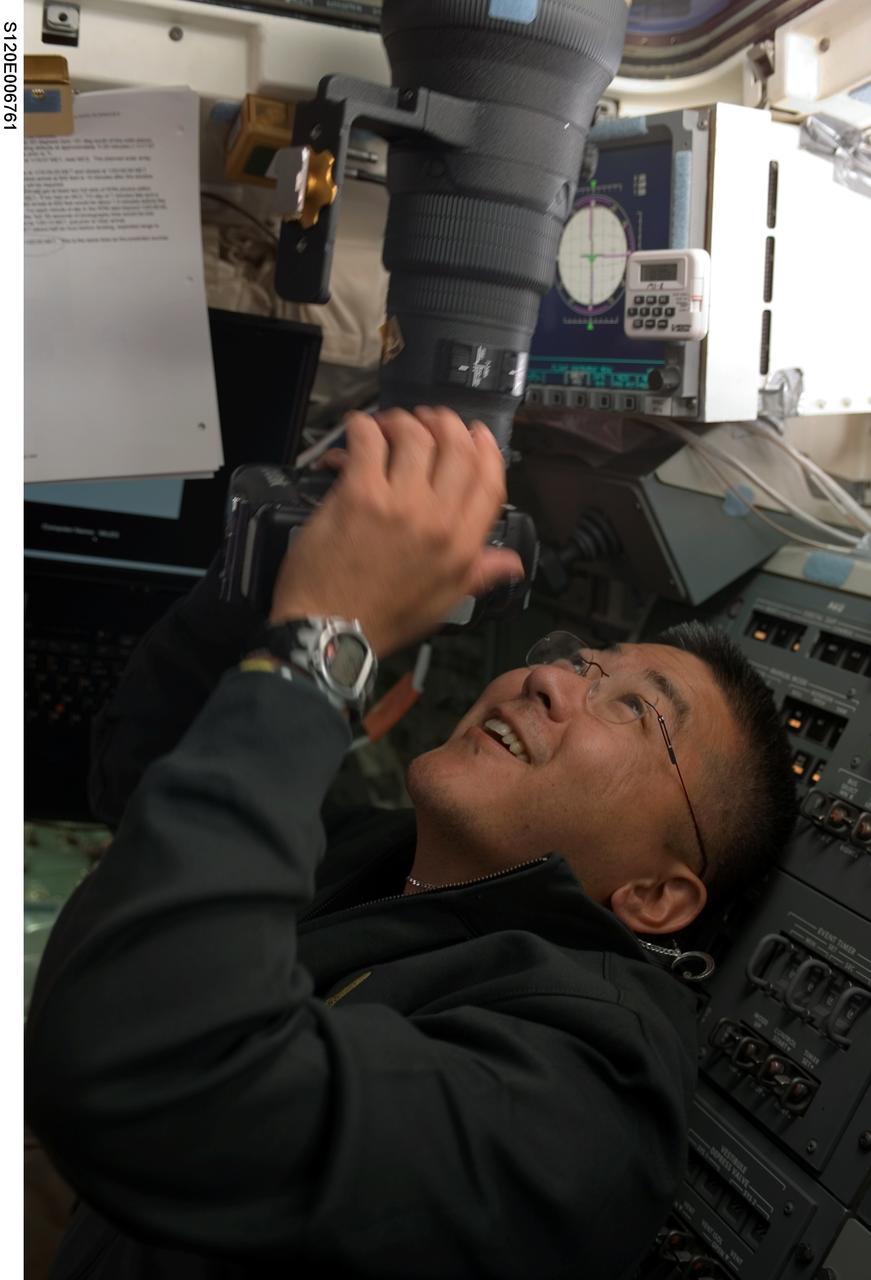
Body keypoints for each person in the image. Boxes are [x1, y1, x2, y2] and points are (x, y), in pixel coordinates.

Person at [25, 407, 795, 1280]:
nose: (548, 678)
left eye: (634, 708)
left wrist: (325, 645)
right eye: (580, 660)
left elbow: (151, 1075)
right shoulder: (391, 859)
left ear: (656, 896)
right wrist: (264, 582)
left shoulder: (580, 1101)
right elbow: (152, 779)